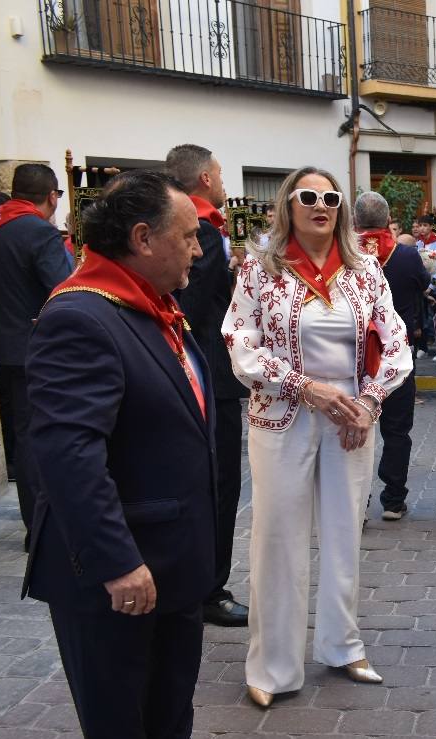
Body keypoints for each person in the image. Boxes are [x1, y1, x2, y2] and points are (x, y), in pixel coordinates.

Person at [24, 169, 231, 739]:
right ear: (143, 238)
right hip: (118, 569)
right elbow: (67, 454)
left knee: (170, 697)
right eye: (189, 237)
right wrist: (117, 563)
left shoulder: (151, 308)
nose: (199, 250)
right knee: (120, 727)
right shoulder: (80, 317)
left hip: (171, 554)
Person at [222, 167, 413, 707]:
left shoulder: (365, 269)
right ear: (289, 205)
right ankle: (273, 666)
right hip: (283, 414)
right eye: (309, 196)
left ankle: (342, 644)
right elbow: (240, 342)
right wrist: (305, 387)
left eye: (331, 197)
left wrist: (368, 404)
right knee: (278, 537)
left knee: (343, 531)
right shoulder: (261, 269)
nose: (321, 205)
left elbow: (395, 340)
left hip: (352, 416)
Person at [164, 143, 250, 628]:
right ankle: (210, 589)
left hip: (202, 373)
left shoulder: (194, 226)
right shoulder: (203, 227)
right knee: (218, 488)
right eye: (218, 175)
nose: (221, 183)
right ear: (203, 179)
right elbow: (190, 307)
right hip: (209, 376)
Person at [0, 163, 74, 544]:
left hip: (6, 345)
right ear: (51, 196)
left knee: (25, 433)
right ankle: (43, 526)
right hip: (39, 347)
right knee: (41, 436)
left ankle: (35, 521)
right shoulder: (38, 231)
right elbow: (63, 288)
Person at [354, 191, 429, 521]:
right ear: (388, 221)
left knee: (357, 426)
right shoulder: (407, 254)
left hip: (356, 358)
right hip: (398, 356)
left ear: (355, 221)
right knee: (397, 430)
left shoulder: (344, 254)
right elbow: (423, 285)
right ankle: (393, 499)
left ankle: (358, 500)